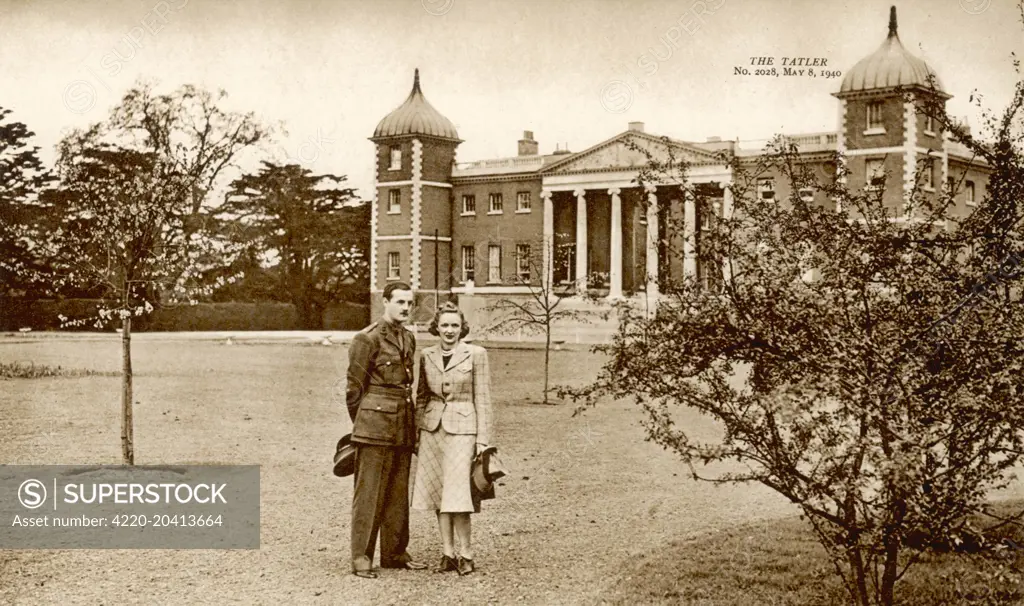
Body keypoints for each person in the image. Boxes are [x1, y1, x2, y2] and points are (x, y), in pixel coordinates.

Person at [345, 282, 428, 578]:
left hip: (402, 423)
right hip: (374, 426)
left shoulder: (408, 337)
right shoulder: (367, 339)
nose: (406, 308)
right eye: (400, 302)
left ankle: (394, 552)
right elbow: (354, 388)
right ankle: (361, 557)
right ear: (385, 302)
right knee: (369, 493)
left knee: (397, 492)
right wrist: (365, 423)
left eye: (409, 303)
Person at [412, 301, 493, 576]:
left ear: (462, 329)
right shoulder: (426, 355)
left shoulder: (476, 354)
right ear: (436, 327)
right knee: (438, 494)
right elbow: (421, 397)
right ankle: (447, 553)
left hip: (463, 430)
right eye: (444, 325)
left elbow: (483, 398)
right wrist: (416, 433)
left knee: (459, 495)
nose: (449, 331)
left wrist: (483, 439)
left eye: (455, 326)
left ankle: (467, 555)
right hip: (432, 430)